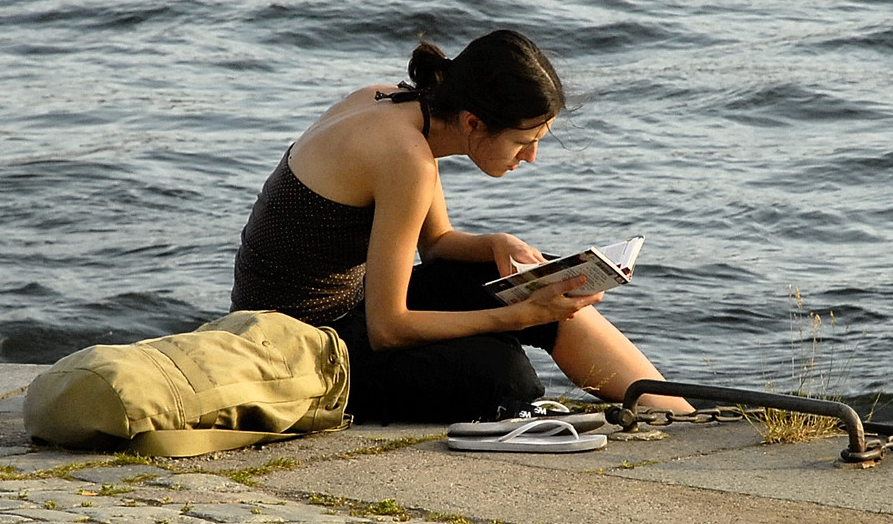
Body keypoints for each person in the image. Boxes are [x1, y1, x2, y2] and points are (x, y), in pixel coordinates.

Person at [230, 30, 690, 423]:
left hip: (345, 311)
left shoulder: (392, 102)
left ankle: (675, 410)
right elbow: (388, 328)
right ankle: (670, 409)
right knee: (505, 378)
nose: (530, 157)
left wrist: (497, 243)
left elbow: (436, 246)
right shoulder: (406, 159)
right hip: (295, 346)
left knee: (534, 282)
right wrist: (516, 318)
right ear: (473, 122)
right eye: (522, 142)